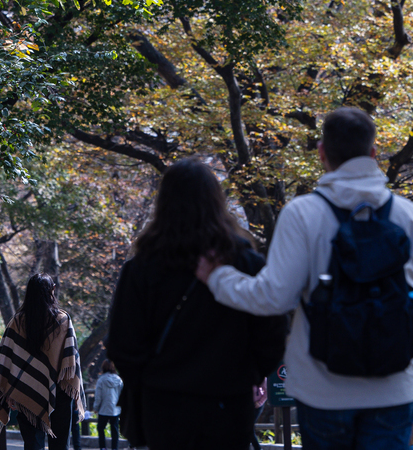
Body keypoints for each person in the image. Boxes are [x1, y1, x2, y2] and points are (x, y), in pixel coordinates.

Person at [196, 107, 413, 450]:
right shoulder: (407, 215)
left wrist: (218, 277)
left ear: (322, 152)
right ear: (373, 152)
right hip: (393, 387)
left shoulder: (304, 213)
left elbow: (273, 298)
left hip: (323, 388)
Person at [108, 158, 287, 450]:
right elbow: (273, 329)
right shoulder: (244, 263)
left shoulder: (142, 269)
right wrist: (253, 373)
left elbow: (121, 345)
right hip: (228, 401)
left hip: (163, 404)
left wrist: (149, 380)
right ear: (217, 201)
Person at [0, 274, 81, 450]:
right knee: (60, 444)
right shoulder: (62, 320)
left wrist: (10, 391)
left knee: (32, 444)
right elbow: (72, 361)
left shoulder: (17, 321)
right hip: (60, 392)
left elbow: (6, 358)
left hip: (26, 390)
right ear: (52, 290)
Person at [92, 361, 122, 450]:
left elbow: (98, 396)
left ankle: (103, 447)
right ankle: (114, 448)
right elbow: (122, 394)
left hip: (103, 409)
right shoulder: (119, 380)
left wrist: (96, 407)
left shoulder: (101, 380)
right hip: (115, 409)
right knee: (115, 430)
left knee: (100, 428)